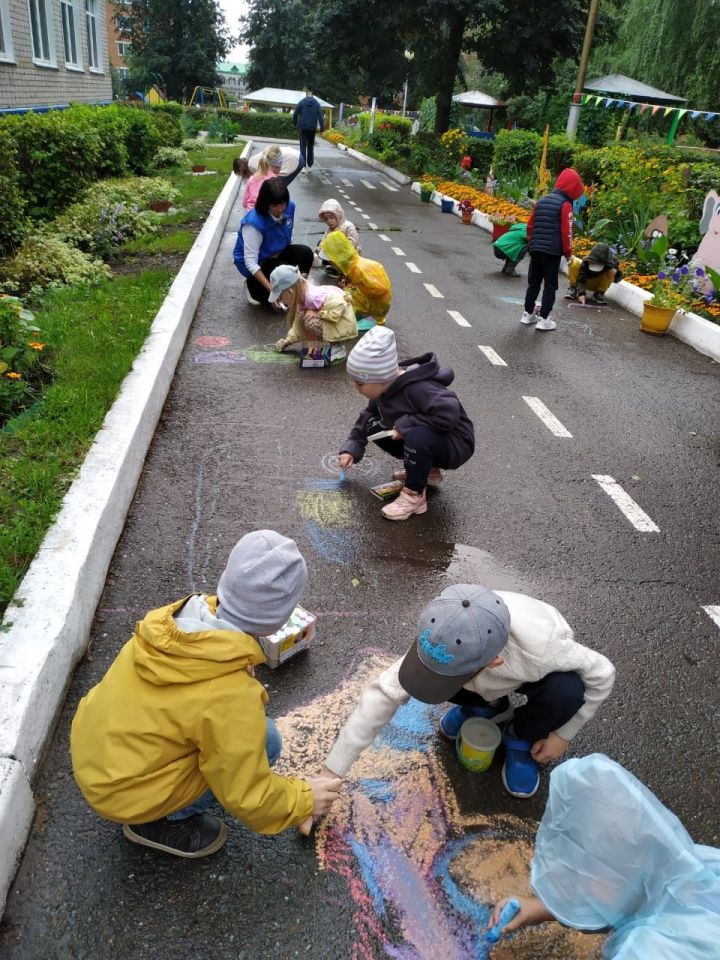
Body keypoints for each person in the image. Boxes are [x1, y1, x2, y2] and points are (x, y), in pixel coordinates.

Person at [70, 530, 343, 858]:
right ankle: (158, 821)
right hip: (122, 793)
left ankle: (149, 803)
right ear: (281, 621)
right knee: (266, 742)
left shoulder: (175, 620)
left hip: (98, 757)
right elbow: (247, 793)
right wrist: (304, 800)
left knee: (253, 736)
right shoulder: (231, 697)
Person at [321, 584, 615, 798]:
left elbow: (604, 674)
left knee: (566, 692)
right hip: (484, 675)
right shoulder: (446, 631)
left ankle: (518, 736)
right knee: (426, 681)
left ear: (493, 661)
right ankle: (488, 708)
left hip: (531, 673)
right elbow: (381, 696)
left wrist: (563, 735)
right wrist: (331, 774)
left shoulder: (545, 649)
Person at [488, 754, 720, 957]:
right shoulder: (689, 863)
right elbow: (623, 898)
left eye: (580, 884)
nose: (579, 893)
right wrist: (542, 908)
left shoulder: (646, 951)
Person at [337, 326, 475, 521]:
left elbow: (449, 413)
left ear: (381, 377)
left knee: (417, 435)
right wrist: (352, 448)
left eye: (360, 383)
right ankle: (425, 470)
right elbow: (368, 416)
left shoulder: (419, 388)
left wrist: (406, 425)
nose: (356, 388)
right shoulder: (383, 390)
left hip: (456, 442)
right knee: (374, 425)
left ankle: (414, 496)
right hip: (432, 437)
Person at [233, 177, 314, 308]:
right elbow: (250, 262)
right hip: (258, 262)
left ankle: (299, 288)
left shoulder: (290, 207)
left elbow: (288, 234)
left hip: (276, 252)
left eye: (283, 203)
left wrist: (280, 252)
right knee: (278, 303)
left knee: (305, 253)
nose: (280, 209)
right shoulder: (253, 223)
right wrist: (272, 290)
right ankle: (252, 285)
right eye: (275, 205)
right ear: (266, 203)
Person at [521, 168, 584, 332]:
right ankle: (544, 319)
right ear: (572, 188)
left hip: (535, 249)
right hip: (552, 252)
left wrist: (531, 243)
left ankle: (527, 314)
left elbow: (530, 225)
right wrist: (568, 253)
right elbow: (567, 231)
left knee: (533, 283)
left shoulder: (542, 201)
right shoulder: (565, 205)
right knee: (550, 285)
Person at [268, 264, 358, 357]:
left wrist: (318, 313)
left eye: (280, 296)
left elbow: (340, 305)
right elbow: (298, 324)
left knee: (311, 322)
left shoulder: (312, 297)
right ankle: (327, 343)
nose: (280, 300)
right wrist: (288, 340)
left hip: (345, 323)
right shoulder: (301, 296)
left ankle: (337, 347)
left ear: (290, 291)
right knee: (303, 316)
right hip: (334, 319)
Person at [320, 230, 392, 325]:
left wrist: (350, 290)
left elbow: (381, 289)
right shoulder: (352, 265)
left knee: (341, 299)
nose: (332, 265)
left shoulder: (358, 268)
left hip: (377, 308)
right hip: (375, 305)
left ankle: (367, 318)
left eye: (331, 262)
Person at [316, 199, 361, 276]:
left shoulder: (348, 226)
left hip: (349, 254)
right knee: (321, 243)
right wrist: (319, 248)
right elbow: (325, 239)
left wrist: (341, 248)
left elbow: (353, 241)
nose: (329, 221)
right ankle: (336, 268)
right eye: (326, 219)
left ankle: (343, 270)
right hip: (336, 255)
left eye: (331, 218)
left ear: (338, 215)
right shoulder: (330, 229)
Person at [293, 89, 324, 170]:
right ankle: (310, 165)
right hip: (312, 128)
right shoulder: (317, 104)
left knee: (303, 146)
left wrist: (295, 123)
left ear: (306, 95)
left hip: (302, 127)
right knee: (310, 146)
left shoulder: (301, 102)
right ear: (312, 95)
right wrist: (322, 128)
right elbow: (320, 116)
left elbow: (295, 114)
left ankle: (303, 167)